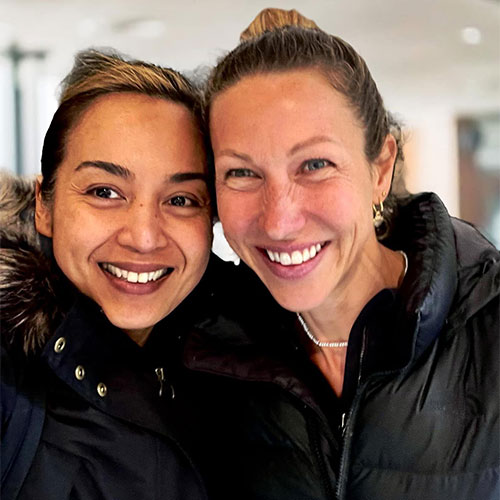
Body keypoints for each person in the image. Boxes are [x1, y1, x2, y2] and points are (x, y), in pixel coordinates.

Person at [178, 8, 500, 500]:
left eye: (314, 164)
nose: (279, 221)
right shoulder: (205, 352)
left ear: (380, 169)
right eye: (241, 173)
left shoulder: (488, 326)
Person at [0, 49, 212, 499]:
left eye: (180, 200)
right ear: (44, 205)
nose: (144, 238)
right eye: (105, 192)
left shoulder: (243, 360)